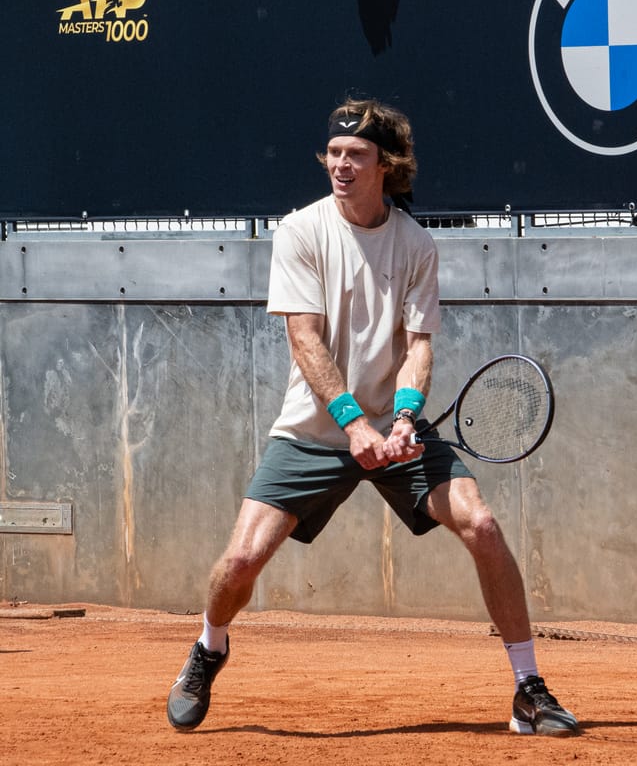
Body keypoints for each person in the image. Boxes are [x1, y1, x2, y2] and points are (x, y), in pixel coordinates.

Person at [166, 97, 579, 737]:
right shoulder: (301, 231)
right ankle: (209, 647)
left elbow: (418, 345)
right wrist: (354, 423)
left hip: (396, 429)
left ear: (387, 164)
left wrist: (407, 417)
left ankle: (528, 688)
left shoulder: (415, 244)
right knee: (242, 562)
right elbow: (305, 339)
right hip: (313, 430)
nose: (341, 165)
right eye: (333, 153)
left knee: (484, 524)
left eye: (356, 155)